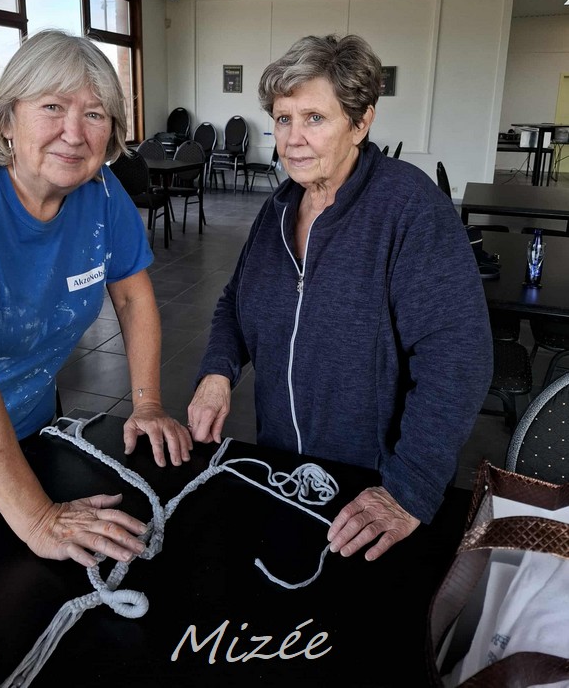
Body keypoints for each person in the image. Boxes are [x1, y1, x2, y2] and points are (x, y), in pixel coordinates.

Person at [187, 34, 493, 561]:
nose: (293, 140)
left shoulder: (409, 209)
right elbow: (237, 301)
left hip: (373, 482)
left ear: (361, 122)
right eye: (283, 119)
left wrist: (409, 488)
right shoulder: (279, 209)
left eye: (314, 118)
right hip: (288, 469)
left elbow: (459, 357)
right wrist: (218, 371)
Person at [0, 30, 192, 567]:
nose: (74, 133)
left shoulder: (102, 194)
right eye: (52, 107)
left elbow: (134, 300)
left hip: (30, 426)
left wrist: (147, 403)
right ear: (7, 119)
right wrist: (38, 519)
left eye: (94, 114)